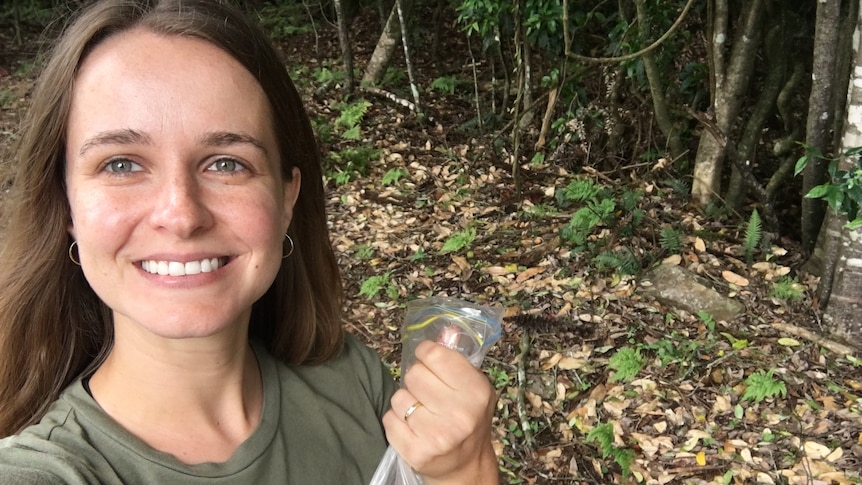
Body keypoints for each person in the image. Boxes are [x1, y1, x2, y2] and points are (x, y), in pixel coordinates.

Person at [0, 1, 499, 483]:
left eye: (226, 163)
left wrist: (464, 473)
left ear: (286, 199)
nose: (181, 215)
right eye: (121, 164)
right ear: (66, 206)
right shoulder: (47, 470)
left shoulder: (352, 382)